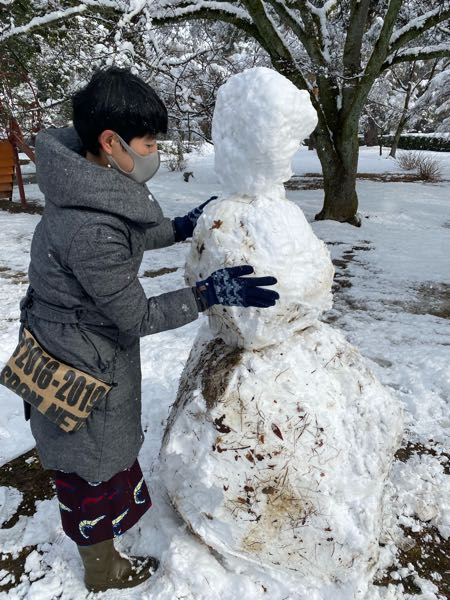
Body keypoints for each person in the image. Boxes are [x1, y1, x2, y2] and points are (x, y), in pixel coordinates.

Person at [20, 66, 280, 593]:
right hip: (79, 366)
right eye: (149, 141)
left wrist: (180, 226)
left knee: (95, 458)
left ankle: (103, 539)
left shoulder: (86, 181)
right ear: (110, 142)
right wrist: (209, 294)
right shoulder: (90, 226)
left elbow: (127, 235)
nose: (155, 150)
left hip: (69, 342)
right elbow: (135, 314)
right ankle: (101, 567)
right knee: (87, 466)